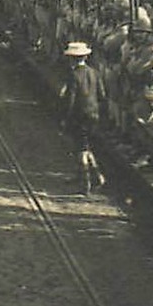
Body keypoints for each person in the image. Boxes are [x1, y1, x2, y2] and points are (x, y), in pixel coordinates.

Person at [59, 41, 103, 193]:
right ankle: (97, 176)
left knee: (80, 150)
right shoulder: (94, 72)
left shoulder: (73, 75)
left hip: (79, 116)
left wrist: (65, 118)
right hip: (94, 115)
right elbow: (102, 95)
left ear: (72, 58)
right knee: (87, 147)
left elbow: (70, 100)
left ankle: (86, 182)